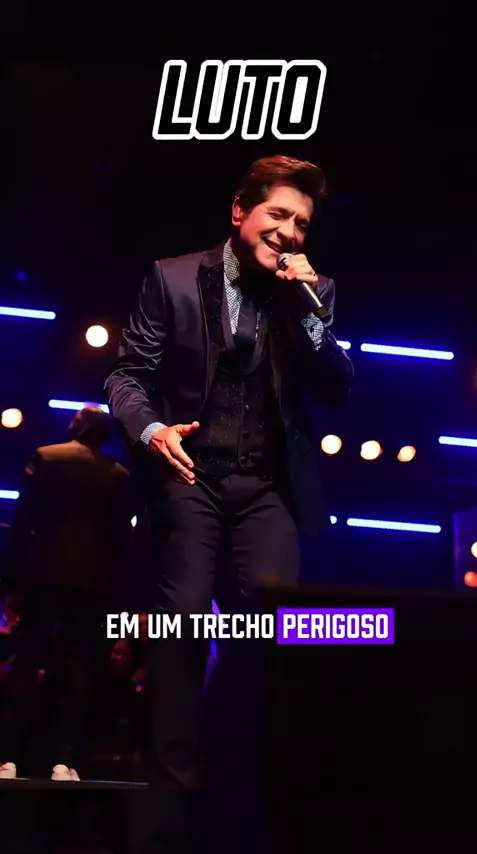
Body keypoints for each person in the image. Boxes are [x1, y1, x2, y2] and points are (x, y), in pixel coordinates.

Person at [105, 154, 354, 850]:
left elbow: (337, 385)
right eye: (278, 214)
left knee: (271, 640)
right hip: (189, 475)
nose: (290, 232)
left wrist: (308, 310)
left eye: (302, 223)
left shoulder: (313, 291)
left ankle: (249, 806)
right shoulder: (173, 277)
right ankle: (166, 819)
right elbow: (128, 375)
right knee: (181, 631)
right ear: (241, 212)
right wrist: (151, 430)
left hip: (266, 486)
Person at [0, 405, 131, 781]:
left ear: (75, 426)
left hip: (42, 574)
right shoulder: (118, 475)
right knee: (80, 668)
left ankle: (8, 758)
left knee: (27, 663)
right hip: (93, 582)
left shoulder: (45, 456)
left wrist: (12, 580)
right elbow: (120, 537)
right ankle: (64, 761)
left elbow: (23, 521)